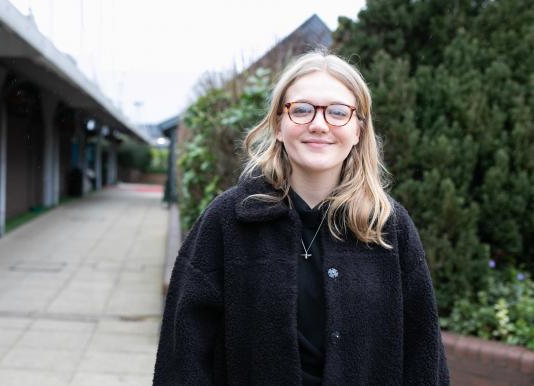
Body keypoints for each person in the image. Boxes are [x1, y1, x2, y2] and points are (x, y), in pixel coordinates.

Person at [153, 51, 450, 385]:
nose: (319, 124)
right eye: (302, 110)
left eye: (338, 112)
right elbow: (184, 353)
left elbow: (424, 354)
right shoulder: (228, 220)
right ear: (279, 124)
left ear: (358, 131)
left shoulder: (388, 226)